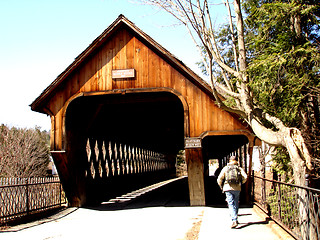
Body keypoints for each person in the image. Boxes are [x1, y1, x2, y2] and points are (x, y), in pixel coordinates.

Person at [217, 156, 247, 228]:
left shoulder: (226, 168)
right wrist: (241, 183)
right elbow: (245, 177)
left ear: (229, 160)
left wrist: (221, 186)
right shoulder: (239, 168)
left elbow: (219, 179)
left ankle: (234, 220)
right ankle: (235, 217)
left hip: (227, 187)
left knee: (230, 203)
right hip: (237, 188)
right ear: (236, 160)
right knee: (236, 202)